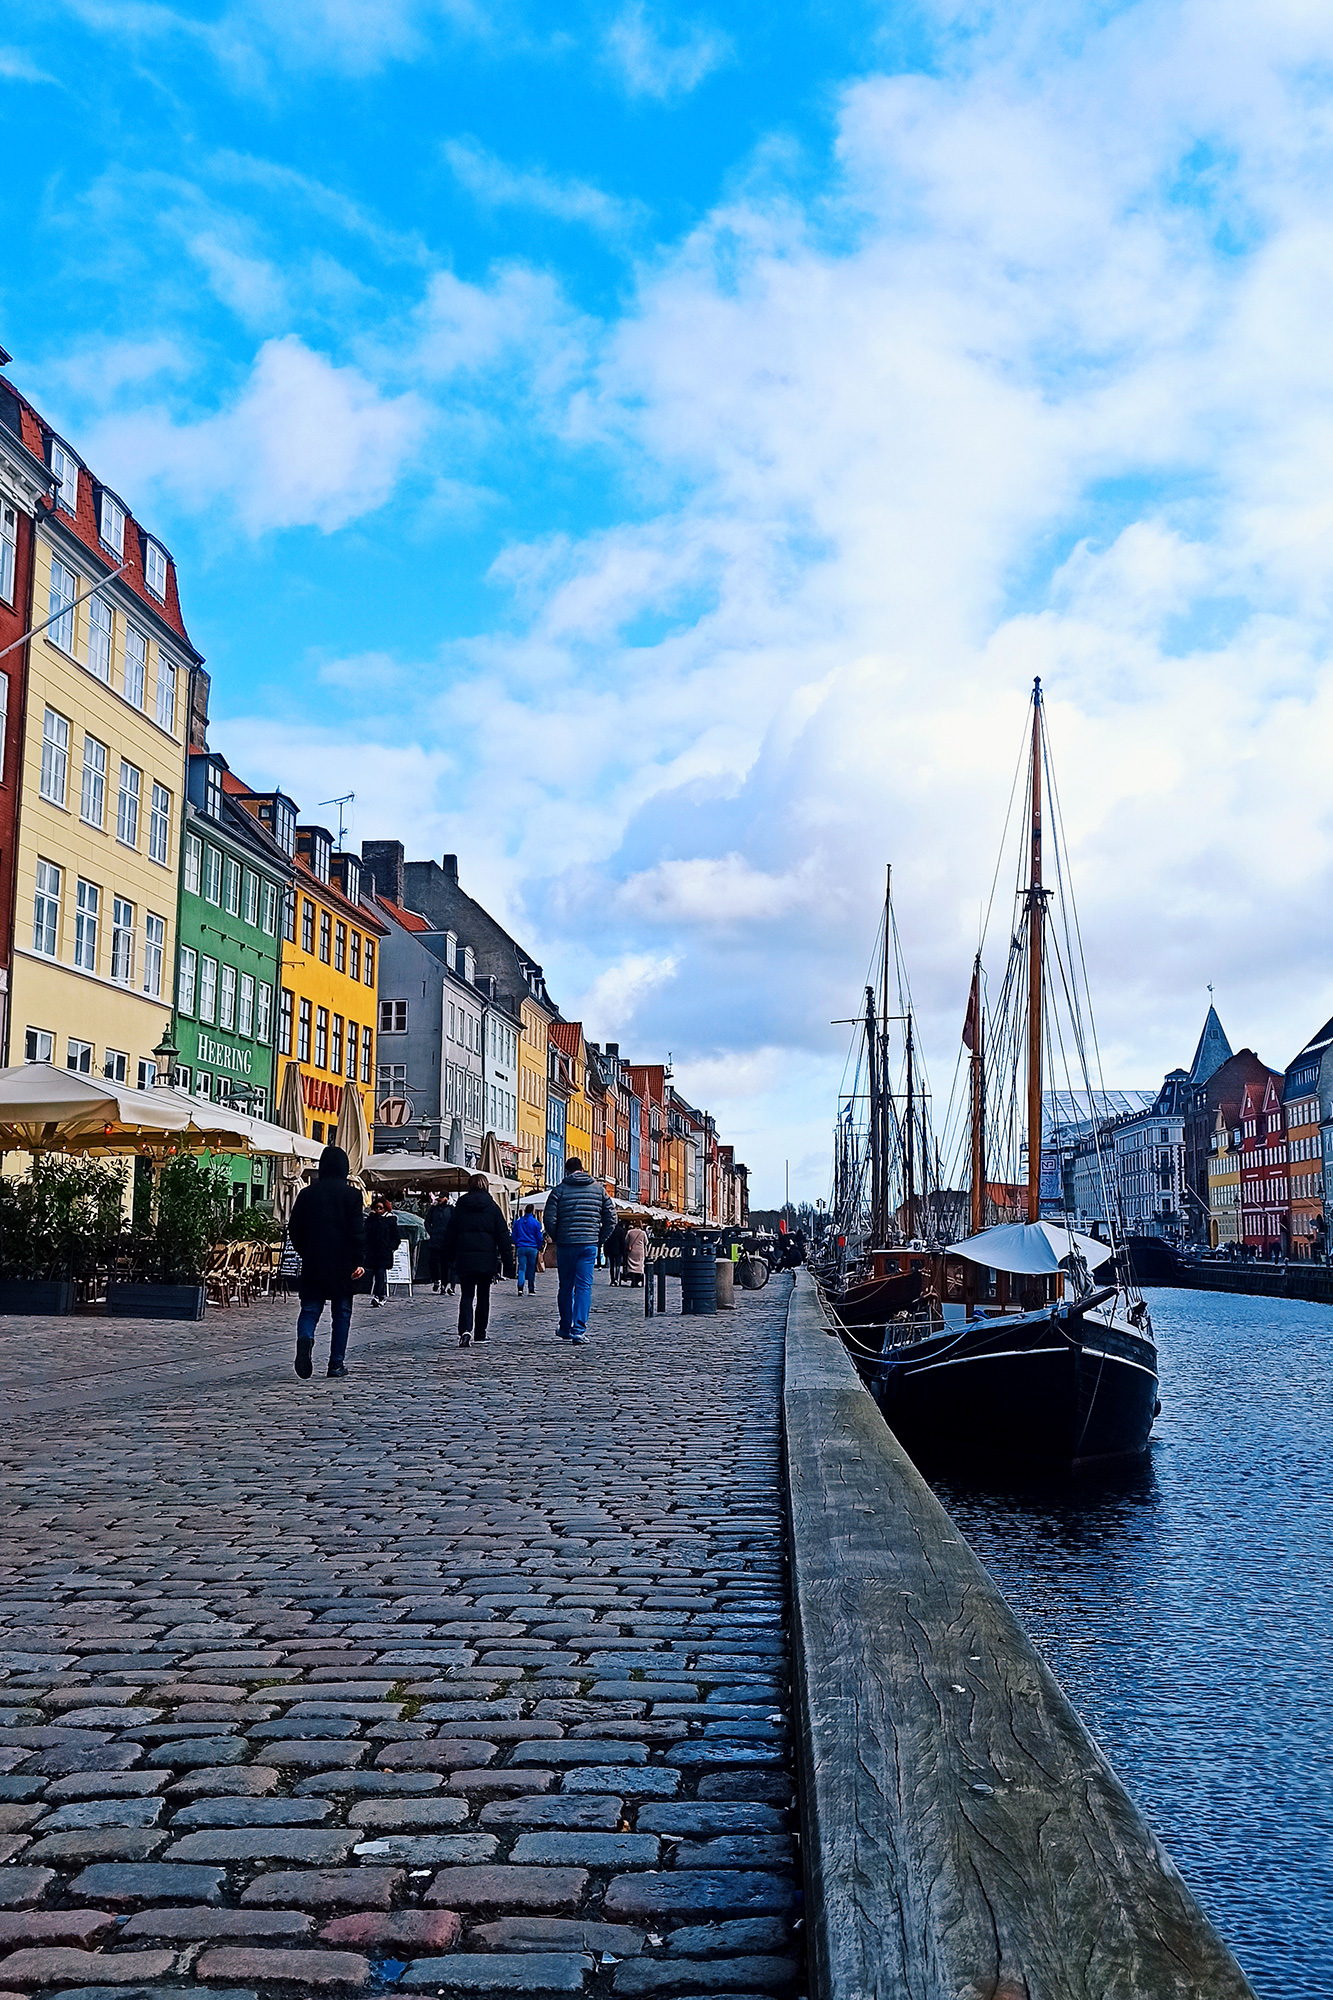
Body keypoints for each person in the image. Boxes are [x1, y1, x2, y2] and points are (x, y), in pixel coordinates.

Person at [287, 1145, 365, 1380]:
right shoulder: (352, 1195)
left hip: (314, 1261)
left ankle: (305, 1337)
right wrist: (358, 1261)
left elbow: (294, 1229)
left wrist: (306, 1251)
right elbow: (357, 1231)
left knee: (310, 1309)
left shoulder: (307, 1194)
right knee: (341, 1313)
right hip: (344, 1264)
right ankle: (336, 1364)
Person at [543, 1155, 616, 1345]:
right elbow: (611, 1218)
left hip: (566, 1244)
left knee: (565, 1287)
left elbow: (549, 1218)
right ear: (582, 1169)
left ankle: (565, 1327)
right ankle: (579, 1330)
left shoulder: (559, 1190)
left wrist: (558, 1237)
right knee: (584, 1287)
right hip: (588, 1244)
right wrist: (599, 1238)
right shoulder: (598, 1190)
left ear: (567, 1171)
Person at [441, 1173, 515, 1346]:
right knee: (483, 1296)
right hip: (486, 1260)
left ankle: (465, 1330)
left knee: (467, 1295)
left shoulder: (461, 1207)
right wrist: (508, 1264)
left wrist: (448, 1257)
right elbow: (503, 1236)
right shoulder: (492, 1207)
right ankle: (480, 1333)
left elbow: (450, 1234)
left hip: (465, 1258)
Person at [365, 1197, 402, 1307]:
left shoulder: (390, 1220)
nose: (378, 1210)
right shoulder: (371, 1219)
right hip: (372, 1251)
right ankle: (381, 1295)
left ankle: (378, 1295)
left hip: (384, 1252)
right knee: (376, 1273)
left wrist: (391, 1247)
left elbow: (396, 1237)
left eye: (380, 1208)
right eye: (376, 1207)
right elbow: (366, 1233)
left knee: (380, 1273)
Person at [425, 1192, 453, 1293]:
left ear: (446, 1198)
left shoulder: (451, 1209)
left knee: (445, 1263)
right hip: (435, 1239)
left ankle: (444, 1284)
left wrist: (451, 1234)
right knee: (433, 1261)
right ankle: (436, 1280)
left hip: (446, 1240)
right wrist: (431, 1232)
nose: (440, 1199)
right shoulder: (433, 1209)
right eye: (439, 1197)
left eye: (442, 1197)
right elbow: (427, 1221)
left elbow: (454, 1223)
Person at [512, 1204, 542, 1295]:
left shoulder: (518, 1222)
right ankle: (531, 1288)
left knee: (521, 1268)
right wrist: (539, 1246)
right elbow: (539, 1237)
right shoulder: (536, 1223)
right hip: (532, 1247)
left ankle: (520, 1288)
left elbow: (514, 1235)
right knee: (531, 1268)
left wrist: (517, 1243)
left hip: (521, 1246)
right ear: (533, 1211)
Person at [605, 1218, 628, 1286]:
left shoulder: (609, 1230)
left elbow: (606, 1241)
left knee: (612, 1266)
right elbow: (622, 1242)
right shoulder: (620, 1230)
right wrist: (624, 1251)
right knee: (618, 1265)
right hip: (618, 1250)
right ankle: (616, 1279)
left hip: (610, 1250)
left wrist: (606, 1251)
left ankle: (612, 1280)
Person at [624, 1221, 648, 1285]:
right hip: (640, 1251)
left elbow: (626, 1241)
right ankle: (637, 1280)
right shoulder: (642, 1233)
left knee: (631, 1265)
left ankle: (633, 1280)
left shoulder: (629, 1232)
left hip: (632, 1251)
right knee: (639, 1265)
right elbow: (646, 1242)